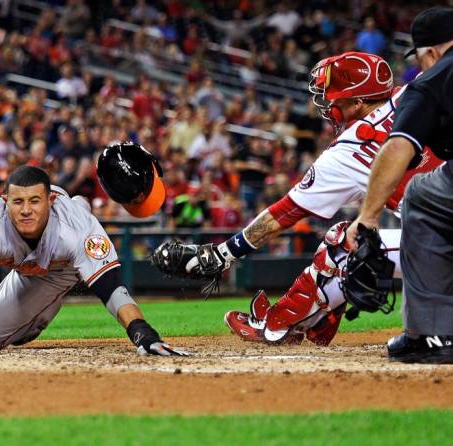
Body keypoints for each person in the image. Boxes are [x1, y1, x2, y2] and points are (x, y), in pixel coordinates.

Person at [151, 52, 441, 346]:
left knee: (343, 244)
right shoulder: (419, 90)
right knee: (351, 241)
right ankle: (313, 318)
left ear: (357, 102)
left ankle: (278, 326)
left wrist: (224, 253)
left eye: (335, 99)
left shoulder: (347, 150)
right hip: (439, 229)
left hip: (442, 241)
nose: (329, 105)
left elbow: (284, 213)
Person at [0, 165, 187, 357]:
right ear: (4, 201)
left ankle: (79, 211)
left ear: (50, 201)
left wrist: (141, 332)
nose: (25, 210)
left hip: (64, 267)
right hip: (28, 269)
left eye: (34, 201)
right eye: (17, 202)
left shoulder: (77, 229)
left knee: (80, 247)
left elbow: (111, 288)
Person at [346, 7, 453, 363]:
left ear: (432, 52)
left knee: (421, 194)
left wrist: (368, 217)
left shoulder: (434, 78)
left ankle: (430, 332)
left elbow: (398, 145)